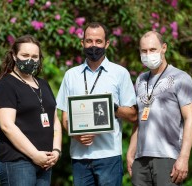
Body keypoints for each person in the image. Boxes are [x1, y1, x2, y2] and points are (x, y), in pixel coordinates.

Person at [56, 22, 137, 186]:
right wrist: (75, 135)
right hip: (80, 158)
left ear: (106, 43)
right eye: (89, 41)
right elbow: (65, 117)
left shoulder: (120, 73)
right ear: (82, 43)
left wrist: (110, 107)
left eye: (98, 41)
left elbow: (133, 115)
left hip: (109, 155)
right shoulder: (71, 75)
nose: (94, 45)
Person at [127, 31, 192, 186]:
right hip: (141, 159)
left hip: (168, 158)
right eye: (144, 51)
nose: (148, 54)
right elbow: (139, 120)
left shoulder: (181, 78)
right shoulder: (140, 80)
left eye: (152, 50)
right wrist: (131, 152)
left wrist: (184, 157)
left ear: (164, 48)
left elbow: (190, 119)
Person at [0, 35, 62, 186]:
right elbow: (7, 126)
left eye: (35, 56)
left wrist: (56, 151)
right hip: (17, 162)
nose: (30, 60)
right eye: (25, 55)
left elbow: (55, 121)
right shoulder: (6, 85)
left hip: (45, 161)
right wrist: (34, 155)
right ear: (14, 56)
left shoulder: (43, 84)